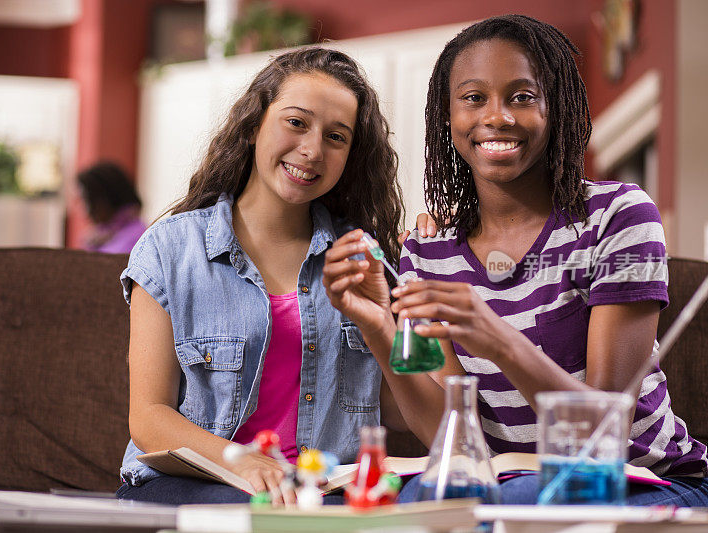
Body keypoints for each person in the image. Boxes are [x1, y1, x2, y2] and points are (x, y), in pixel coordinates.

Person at [323, 14, 708, 506]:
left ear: (556, 109)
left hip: (646, 481)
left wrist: (499, 340)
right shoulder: (427, 251)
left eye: (522, 97)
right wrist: (379, 325)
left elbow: (604, 432)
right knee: (416, 502)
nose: (497, 117)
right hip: (508, 485)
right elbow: (446, 429)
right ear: (447, 115)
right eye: (473, 98)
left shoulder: (618, 217)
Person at [115, 47, 404, 506]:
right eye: (296, 122)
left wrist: (430, 257)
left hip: (318, 490)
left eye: (336, 137)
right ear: (253, 126)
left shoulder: (362, 259)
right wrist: (241, 461)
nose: (311, 150)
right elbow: (148, 418)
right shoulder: (170, 249)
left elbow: (412, 403)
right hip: (195, 482)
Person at [78, 161, 147, 253]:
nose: (86, 212)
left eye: (86, 200)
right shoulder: (99, 237)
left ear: (104, 199)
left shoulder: (137, 239)